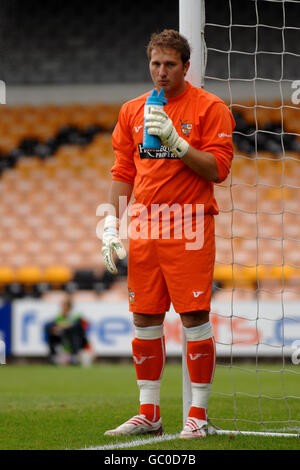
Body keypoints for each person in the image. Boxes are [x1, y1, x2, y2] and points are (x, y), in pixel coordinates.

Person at [101, 29, 235, 438]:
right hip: (144, 226)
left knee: (194, 317)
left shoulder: (209, 108)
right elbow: (124, 171)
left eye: (170, 65)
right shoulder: (132, 111)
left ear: (186, 66)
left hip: (190, 223)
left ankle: (197, 416)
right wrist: (110, 222)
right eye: (155, 64)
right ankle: (150, 413)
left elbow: (219, 170)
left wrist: (177, 142)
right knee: (144, 318)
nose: (161, 72)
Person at [46, 297, 90, 365]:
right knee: (50, 331)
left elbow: (78, 325)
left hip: (77, 339)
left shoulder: (75, 315)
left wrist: (62, 326)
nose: (62, 308)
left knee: (73, 331)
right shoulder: (59, 317)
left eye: (64, 306)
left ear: (68, 307)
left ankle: (75, 354)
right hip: (63, 338)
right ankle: (55, 354)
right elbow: (54, 326)